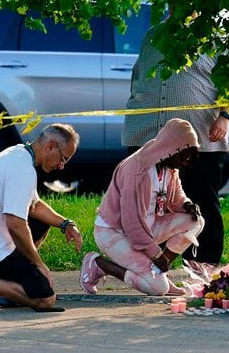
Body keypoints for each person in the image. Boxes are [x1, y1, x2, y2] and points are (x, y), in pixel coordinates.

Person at [122, 19, 229, 265]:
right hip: (148, 134)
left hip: (200, 134)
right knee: (148, 201)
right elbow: (138, 75)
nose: (176, 5)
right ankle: (149, 262)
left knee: (201, 199)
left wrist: (224, 116)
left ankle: (206, 263)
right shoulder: (153, 34)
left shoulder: (213, 36)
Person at [0, 123, 83, 311]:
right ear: (50, 146)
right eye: (63, 159)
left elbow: (34, 207)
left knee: (42, 223)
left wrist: (66, 224)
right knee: (45, 300)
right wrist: (39, 265)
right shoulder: (22, 169)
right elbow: (15, 225)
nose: (61, 166)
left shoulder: (19, 155)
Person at [80, 118, 204, 296]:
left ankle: (157, 272)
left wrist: (187, 205)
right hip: (114, 233)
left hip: (145, 228)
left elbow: (176, 197)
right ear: (171, 148)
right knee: (158, 289)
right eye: (184, 155)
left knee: (195, 221)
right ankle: (99, 265)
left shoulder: (169, 167)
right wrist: (156, 255)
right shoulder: (138, 170)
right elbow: (132, 223)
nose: (186, 162)